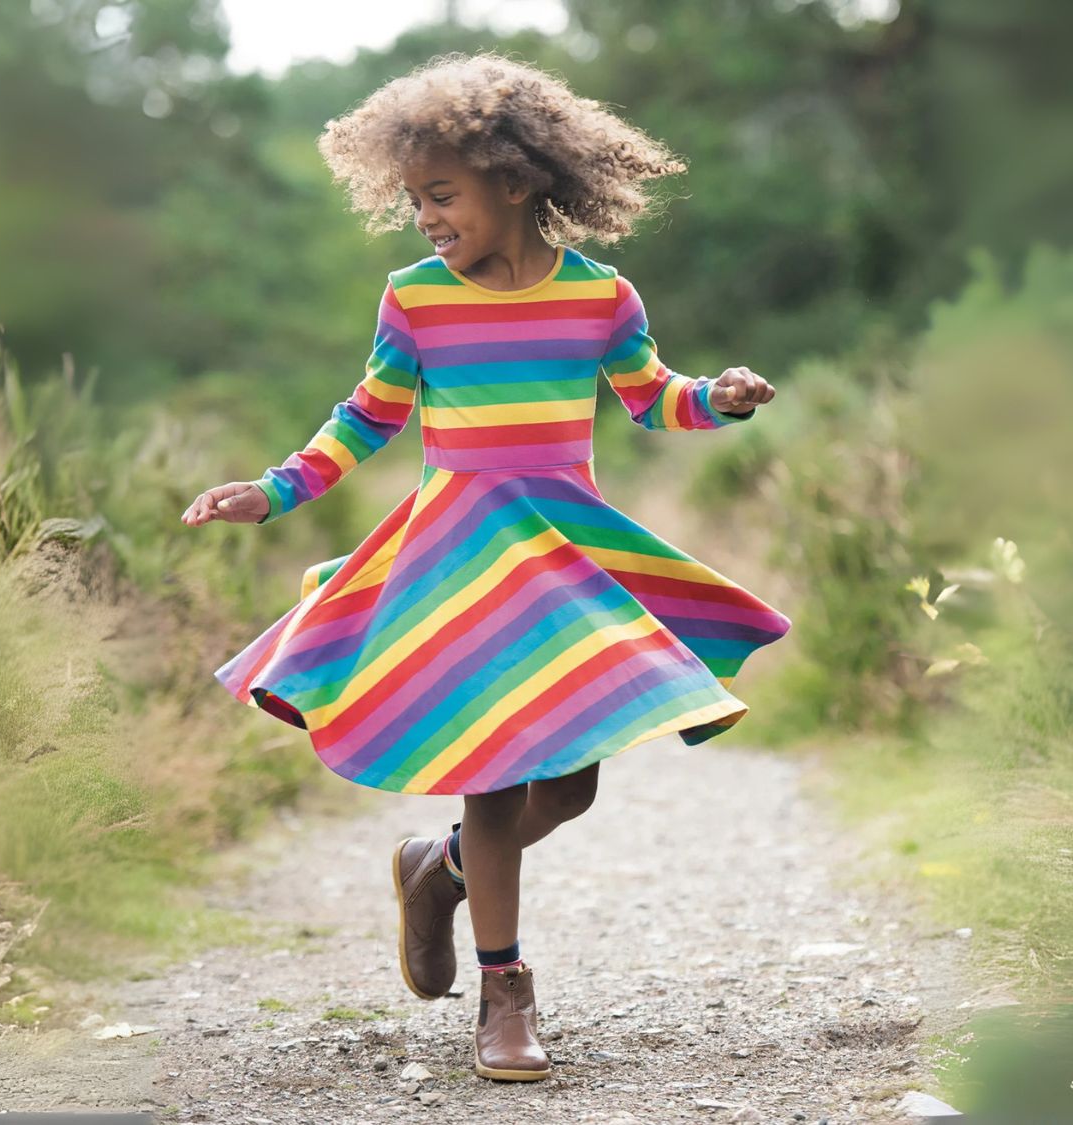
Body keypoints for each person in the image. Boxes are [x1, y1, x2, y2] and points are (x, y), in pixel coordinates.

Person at [181, 51, 791, 1082]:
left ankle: (439, 870)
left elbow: (651, 396)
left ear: (516, 181)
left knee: (571, 787)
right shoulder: (416, 298)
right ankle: (504, 994)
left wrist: (718, 397)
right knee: (498, 779)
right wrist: (273, 488)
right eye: (412, 197)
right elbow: (366, 416)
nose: (423, 215)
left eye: (442, 194)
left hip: (561, 552)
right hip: (460, 558)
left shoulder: (602, 295)